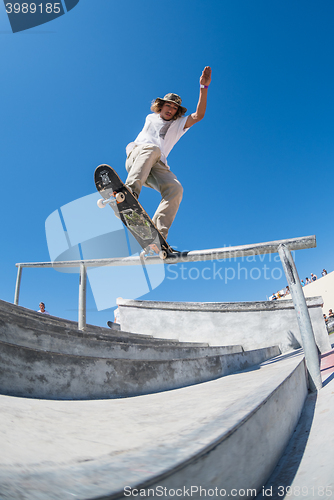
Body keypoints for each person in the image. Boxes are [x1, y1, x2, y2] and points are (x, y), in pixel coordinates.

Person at [124, 66, 212, 241]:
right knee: (152, 148)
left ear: (177, 112)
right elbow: (145, 140)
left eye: (174, 108)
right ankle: (128, 194)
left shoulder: (179, 124)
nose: (170, 109)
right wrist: (130, 148)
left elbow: (199, 115)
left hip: (156, 166)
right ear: (161, 106)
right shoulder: (151, 117)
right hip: (138, 158)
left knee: (176, 189)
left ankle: (158, 237)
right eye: (167, 105)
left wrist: (204, 88)